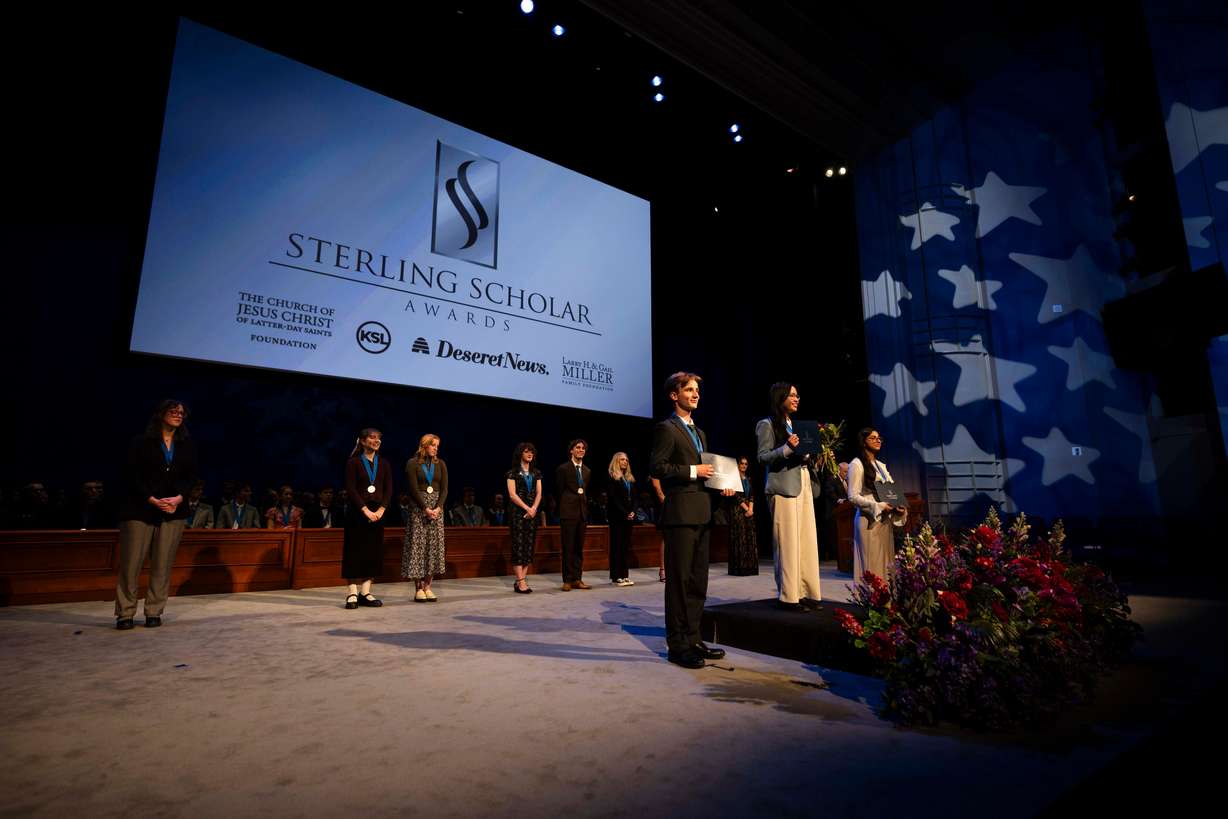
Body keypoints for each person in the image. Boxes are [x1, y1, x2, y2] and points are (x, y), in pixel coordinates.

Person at [651, 372, 732, 668]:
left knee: (699, 580)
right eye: (689, 390)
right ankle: (677, 645)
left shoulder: (700, 433)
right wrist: (693, 471)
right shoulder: (666, 429)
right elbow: (657, 467)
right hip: (680, 514)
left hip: (702, 511)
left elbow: (706, 470)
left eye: (697, 390)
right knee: (678, 582)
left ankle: (694, 637)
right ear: (675, 395)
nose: (696, 394)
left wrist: (723, 484)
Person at [114, 399, 198, 630]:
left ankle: (154, 611)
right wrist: (151, 499)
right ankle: (125, 613)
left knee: (163, 564)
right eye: (174, 411)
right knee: (131, 564)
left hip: (174, 510)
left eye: (182, 413)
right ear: (161, 414)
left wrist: (180, 497)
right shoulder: (141, 442)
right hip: (140, 508)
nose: (179, 415)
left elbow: (192, 476)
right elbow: (131, 476)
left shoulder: (186, 445)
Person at [757, 382, 823, 611]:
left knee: (806, 540)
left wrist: (817, 456)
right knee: (787, 543)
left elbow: (804, 455)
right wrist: (787, 448)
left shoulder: (797, 426)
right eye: (792, 395)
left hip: (803, 483)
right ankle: (788, 596)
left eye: (797, 395)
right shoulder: (766, 425)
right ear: (780, 397)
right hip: (783, 487)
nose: (797, 399)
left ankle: (806, 592)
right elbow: (763, 457)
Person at [848, 427, 907, 584]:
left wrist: (898, 507)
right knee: (871, 564)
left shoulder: (881, 465)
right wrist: (878, 506)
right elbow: (853, 497)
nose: (878, 440)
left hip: (885, 521)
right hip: (868, 521)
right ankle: (869, 601)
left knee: (885, 564)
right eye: (873, 438)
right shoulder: (857, 464)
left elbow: (891, 491)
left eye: (879, 437)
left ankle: (885, 601)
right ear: (863, 442)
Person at [342, 428, 392, 609]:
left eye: (379, 438)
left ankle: (366, 591)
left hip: (377, 513)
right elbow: (351, 488)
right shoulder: (353, 462)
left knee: (373, 551)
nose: (376, 440)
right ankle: (352, 592)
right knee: (354, 551)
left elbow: (388, 490)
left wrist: (381, 510)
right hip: (358, 511)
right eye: (372, 437)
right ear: (362, 441)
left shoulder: (384, 463)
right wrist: (365, 510)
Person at [404, 434, 448, 602]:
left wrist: (437, 508)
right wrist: (425, 508)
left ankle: (428, 587)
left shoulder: (441, 464)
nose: (436, 448)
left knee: (433, 548)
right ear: (424, 445)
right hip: (419, 508)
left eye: (437, 445)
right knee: (418, 547)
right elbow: (413, 489)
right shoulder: (413, 463)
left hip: (437, 509)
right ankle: (418, 588)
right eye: (433, 445)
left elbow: (444, 489)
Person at [504, 442, 543, 594]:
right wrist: (527, 508)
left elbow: (539, 493)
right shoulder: (512, 473)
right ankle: (521, 582)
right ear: (520, 453)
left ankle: (522, 579)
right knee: (518, 547)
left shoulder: (536, 473)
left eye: (532, 452)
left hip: (532, 514)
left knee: (528, 547)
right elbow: (512, 495)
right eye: (527, 451)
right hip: (517, 514)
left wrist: (533, 509)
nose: (530, 454)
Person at [555, 439, 592, 590]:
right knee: (568, 547)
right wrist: (564, 508)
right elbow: (558, 492)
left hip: (582, 513)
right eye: (578, 447)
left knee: (578, 548)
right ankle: (567, 580)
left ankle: (578, 578)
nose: (581, 450)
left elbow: (584, 492)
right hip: (568, 513)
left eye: (583, 448)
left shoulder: (587, 471)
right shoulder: (563, 469)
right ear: (571, 450)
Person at [606, 452, 637, 586]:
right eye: (622, 459)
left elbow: (635, 497)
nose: (625, 462)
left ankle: (625, 575)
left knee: (625, 546)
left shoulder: (630, 478)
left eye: (626, 460)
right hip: (617, 516)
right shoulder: (612, 477)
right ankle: (616, 575)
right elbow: (613, 499)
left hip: (629, 517)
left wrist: (633, 511)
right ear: (616, 462)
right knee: (617, 545)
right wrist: (625, 512)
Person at [727, 456, 760, 575]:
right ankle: (739, 568)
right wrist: (746, 508)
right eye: (742, 463)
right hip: (737, 510)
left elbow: (751, 495)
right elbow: (736, 496)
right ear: (738, 465)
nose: (744, 466)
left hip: (748, 510)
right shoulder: (733, 479)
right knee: (740, 537)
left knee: (749, 537)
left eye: (746, 464)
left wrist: (751, 509)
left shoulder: (749, 479)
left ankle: (750, 567)